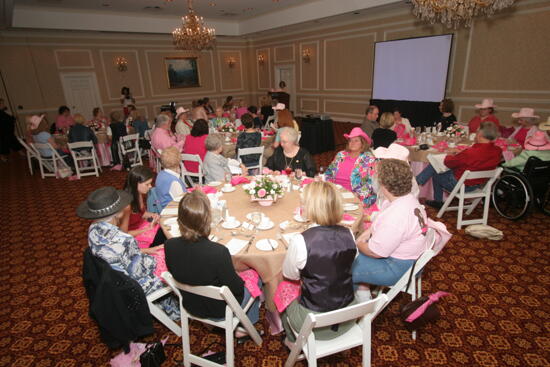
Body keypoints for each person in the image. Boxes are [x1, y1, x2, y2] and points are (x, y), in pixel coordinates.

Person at [165, 190, 261, 333]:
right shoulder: (218, 252)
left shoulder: (169, 245)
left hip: (191, 304)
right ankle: (247, 326)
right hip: (220, 309)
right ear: (207, 219)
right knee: (255, 277)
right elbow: (236, 288)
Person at [77, 186, 178, 319]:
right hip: (131, 286)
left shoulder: (93, 230)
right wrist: (162, 255)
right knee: (173, 257)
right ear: (118, 212)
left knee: (160, 251)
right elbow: (142, 270)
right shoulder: (124, 239)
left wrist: (147, 250)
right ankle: (175, 309)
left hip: (111, 282)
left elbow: (122, 255)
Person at [281, 181, 357, 345]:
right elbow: (349, 261)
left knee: (281, 292)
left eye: (304, 204)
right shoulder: (349, 233)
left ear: (310, 207)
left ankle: (291, 339)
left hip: (313, 323)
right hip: (349, 315)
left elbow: (289, 275)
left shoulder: (301, 240)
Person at [352, 159, 428, 300]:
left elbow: (375, 252)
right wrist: (368, 232)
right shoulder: (407, 199)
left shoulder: (397, 215)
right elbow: (381, 219)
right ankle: (363, 290)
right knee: (351, 253)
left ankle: (355, 307)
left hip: (398, 267)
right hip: (410, 258)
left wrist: (358, 243)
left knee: (341, 266)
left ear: (383, 185)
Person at [416, 122, 502, 209]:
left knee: (435, 166)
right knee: (436, 167)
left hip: (461, 185)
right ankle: (417, 183)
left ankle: (417, 185)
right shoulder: (498, 151)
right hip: (477, 184)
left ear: (479, 134)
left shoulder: (471, 152)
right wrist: (461, 153)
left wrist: (449, 154)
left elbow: (449, 163)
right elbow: (478, 159)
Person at [325, 127, 378, 207]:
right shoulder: (341, 155)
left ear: (362, 143)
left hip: (355, 195)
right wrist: (329, 188)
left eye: (356, 140)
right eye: (350, 140)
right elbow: (328, 173)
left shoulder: (368, 159)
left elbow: (372, 184)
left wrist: (357, 195)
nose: (352, 143)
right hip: (335, 193)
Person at [120, 165, 166, 249]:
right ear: (136, 183)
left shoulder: (138, 194)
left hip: (141, 227)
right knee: (164, 237)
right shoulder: (126, 205)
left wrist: (153, 215)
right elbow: (123, 234)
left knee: (164, 230)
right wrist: (145, 230)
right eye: (147, 184)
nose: (150, 186)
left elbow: (142, 213)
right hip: (133, 237)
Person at [0, 98, 23, 162]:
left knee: (13, 141)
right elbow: (6, 120)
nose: (3, 104)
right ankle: (2, 157)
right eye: (2, 103)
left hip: (7, 132)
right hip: (3, 133)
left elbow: (8, 119)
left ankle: (21, 153)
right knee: (3, 145)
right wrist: (13, 118)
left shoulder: (2, 112)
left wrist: (13, 118)